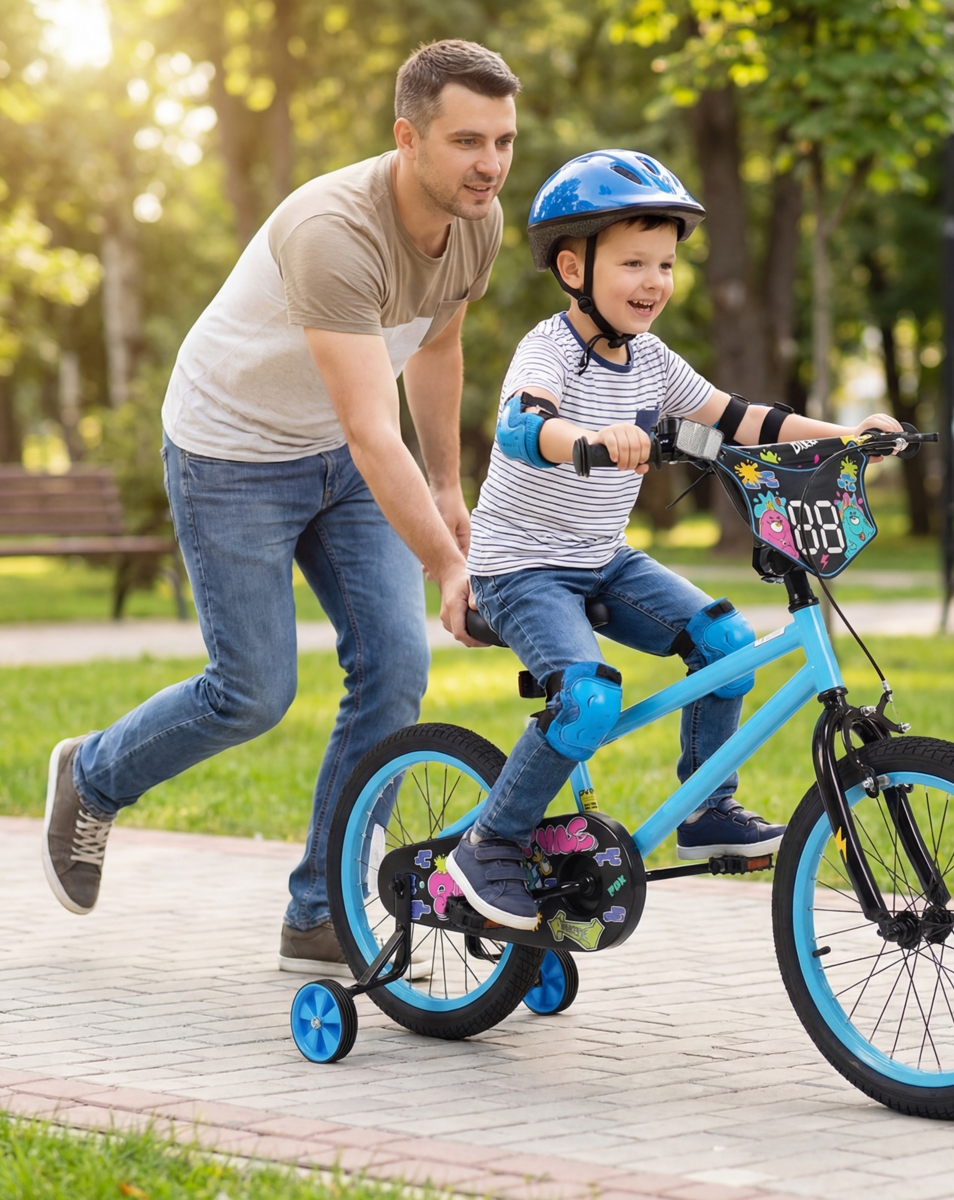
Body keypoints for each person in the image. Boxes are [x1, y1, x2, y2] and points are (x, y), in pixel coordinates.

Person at [41, 40, 517, 978]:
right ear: (406, 136)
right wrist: (448, 563)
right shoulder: (332, 229)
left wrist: (452, 485)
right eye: (467, 141)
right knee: (252, 690)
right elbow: (369, 429)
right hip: (234, 454)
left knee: (394, 668)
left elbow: (435, 347)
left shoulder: (478, 221)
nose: (490, 165)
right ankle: (91, 777)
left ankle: (321, 912)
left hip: (341, 455)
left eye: (503, 141)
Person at [446, 150, 902, 929]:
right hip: (521, 568)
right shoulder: (547, 348)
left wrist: (848, 435)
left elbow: (742, 419)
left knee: (725, 644)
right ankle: (489, 843)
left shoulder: (652, 359)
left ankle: (707, 811)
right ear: (572, 266)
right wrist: (588, 439)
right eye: (632, 262)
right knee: (586, 697)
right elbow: (523, 427)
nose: (654, 280)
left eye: (664, 263)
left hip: (602, 559)